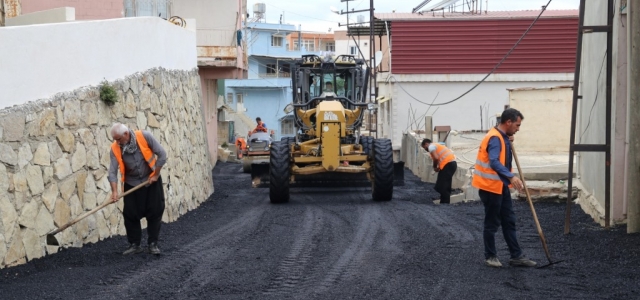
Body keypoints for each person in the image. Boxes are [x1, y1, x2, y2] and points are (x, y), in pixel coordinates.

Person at [472, 108, 536, 268]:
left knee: (509, 220)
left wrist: (508, 138)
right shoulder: (494, 139)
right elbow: (494, 161)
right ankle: (490, 256)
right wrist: (511, 176)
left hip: (500, 186)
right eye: (517, 125)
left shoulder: (500, 135)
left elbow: (502, 143)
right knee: (492, 222)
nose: (518, 129)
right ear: (508, 122)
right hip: (491, 187)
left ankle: (516, 256)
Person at [108, 123, 167, 256]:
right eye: (115, 139)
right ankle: (135, 245)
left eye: (118, 139)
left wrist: (156, 174)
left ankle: (153, 244)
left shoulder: (144, 136)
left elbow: (162, 154)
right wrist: (115, 192)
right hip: (132, 184)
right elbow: (112, 172)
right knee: (130, 214)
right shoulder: (115, 148)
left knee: (155, 211)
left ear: (126, 134)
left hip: (151, 180)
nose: (116, 142)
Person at [421, 139, 457, 204]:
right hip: (451, 164)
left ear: (426, 144)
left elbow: (436, 158)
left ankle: (445, 203)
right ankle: (444, 201)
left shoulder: (431, 146)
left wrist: (434, 167)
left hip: (448, 165)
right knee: (444, 184)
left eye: (424, 147)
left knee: (442, 185)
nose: (425, 149)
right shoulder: (437, 145)